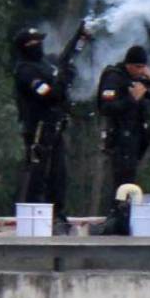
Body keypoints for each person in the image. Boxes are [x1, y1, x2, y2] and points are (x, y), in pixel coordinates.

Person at [12, 26, 88, 234]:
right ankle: (36, 218)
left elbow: (66, 61)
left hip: (55, 127)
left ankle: (58, 214)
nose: (39, 46)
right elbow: (49, 95)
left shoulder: (46, 64)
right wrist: (64, 79)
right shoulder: (25, 70)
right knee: (38, 175)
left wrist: (80, 40)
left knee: (59, 174)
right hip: (38, 129)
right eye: (33, 43)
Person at [96, 45, 150, 208]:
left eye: (144, 67)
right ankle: (117, 214)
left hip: (136, 136)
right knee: (121, 181)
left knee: (130, 179)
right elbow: (106, 108)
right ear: (128, 64)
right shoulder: (114, 78)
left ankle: (126, 213)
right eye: (138, 67)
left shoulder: (140, 79)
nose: (141, 70)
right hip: (120, 136)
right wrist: (131, 99)